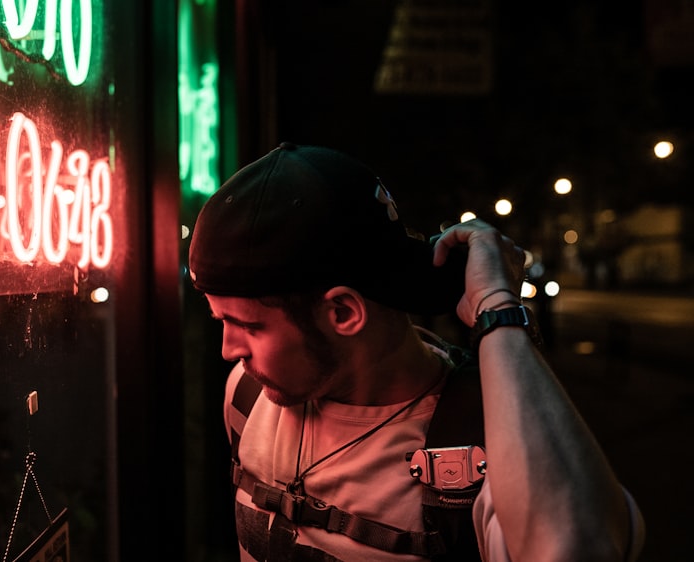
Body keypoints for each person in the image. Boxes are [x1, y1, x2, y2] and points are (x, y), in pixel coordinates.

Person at [187, 142, 645, 561]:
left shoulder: (487, 440)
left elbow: (578, 546)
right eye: (220, 320)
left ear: (344, 313)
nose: (229, 351)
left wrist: (499, 313)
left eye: (247, 325)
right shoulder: (247, 397)